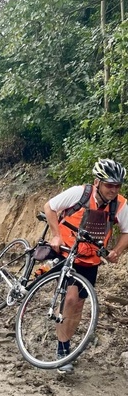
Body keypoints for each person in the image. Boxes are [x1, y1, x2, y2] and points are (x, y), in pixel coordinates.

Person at [44, 158, 128, 374]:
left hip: (90, 258)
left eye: (117, 185)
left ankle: (66, 344)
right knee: (70, 298)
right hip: (66, 251)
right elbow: (50, 207)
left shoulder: (120, 204)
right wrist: (55, 235)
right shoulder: (79, 193)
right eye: (109, 184)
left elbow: (126, 231)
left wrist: (116, 251)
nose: (113, 189)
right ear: (97, 182)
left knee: (79, 304)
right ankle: (63, 352)